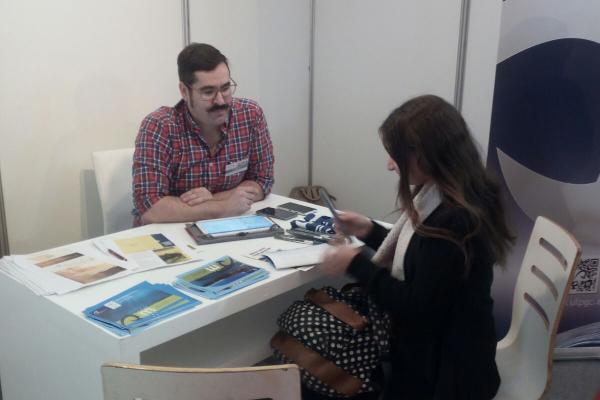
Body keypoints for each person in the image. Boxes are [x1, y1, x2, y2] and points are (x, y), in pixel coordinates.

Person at [319, 95, 514, 400]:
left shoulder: (454, 221)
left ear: (425, 154)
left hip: (449, 375)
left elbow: (414, 306)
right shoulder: (454, 195)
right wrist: (368, 231)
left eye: (394, 155)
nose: (388, 165)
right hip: (449, 348)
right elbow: (422, 258)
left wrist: (355, 263)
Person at [132, 43, 274, 225]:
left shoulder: (250, 115)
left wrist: (213, 198)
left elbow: (263, 181)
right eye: (208, 92)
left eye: (225, 88)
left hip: (230, 229)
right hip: (172, 235)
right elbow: (150, 208)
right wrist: (222, 208)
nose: (220, 100)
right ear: (184, 91)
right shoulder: (160, 126)